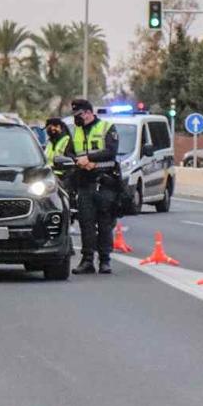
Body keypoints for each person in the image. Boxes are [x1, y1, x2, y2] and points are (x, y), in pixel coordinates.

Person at [64, 99, 120, 275]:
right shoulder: (76, 132)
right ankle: (87, 260)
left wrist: (90, 159)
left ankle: (105, 261)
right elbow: (69, 152)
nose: (76, 119)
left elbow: (111, 151)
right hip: (84, 182)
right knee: (86, 223)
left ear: (88, 113)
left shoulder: (106, 127)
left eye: (79, 115)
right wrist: (78, 161)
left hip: (104, 182)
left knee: (104, 222)